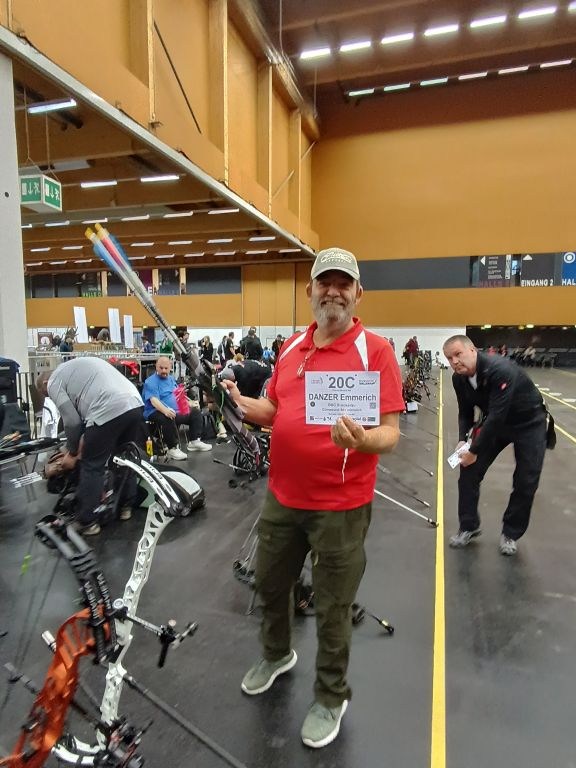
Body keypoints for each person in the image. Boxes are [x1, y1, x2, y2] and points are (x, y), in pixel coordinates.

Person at [223, 246, 404, 749]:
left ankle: (330, 695)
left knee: (332, 604)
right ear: (310, 291)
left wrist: (362, 440)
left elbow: (390, 432)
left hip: (341, 505)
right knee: (270, 583)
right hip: (283, 496)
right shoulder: (291, 348)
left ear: (358, 293)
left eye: (344, 284)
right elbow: (276, 409)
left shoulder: (375, 351)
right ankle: (277, 654)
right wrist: (240, 404)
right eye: (325, 282)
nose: (333, 292)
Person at [443, 335, 552, 556]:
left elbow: (497, 416)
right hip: (496, 423)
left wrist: (475, 450)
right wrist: (463, 440)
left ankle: (511, 532)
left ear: (472, 350)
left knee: (526, 480)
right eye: (449, 358)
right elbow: (465, 412)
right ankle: (469, 526)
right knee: (468, 469)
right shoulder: (459, 379)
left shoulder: (500, 370)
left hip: (529, 423)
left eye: (458, 354)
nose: (454, 361)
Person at [37, 357, 147, 536]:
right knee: (122, 458)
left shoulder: (54, 381)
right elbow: (82, 422)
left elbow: (72, 422)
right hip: (134, 403)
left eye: (47, 395)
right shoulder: (75, 370)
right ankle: (125, 507)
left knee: (91, 464)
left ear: (45, 383)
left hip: (108, 406)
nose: (50, 397)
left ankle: (88, 522)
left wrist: (72, 452)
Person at [142, 356, 212, 460]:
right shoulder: (150, 382)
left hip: (174, 411)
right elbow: (154, 401)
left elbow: (178, 394)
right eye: (161, 368)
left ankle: (194, 441)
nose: (163, 371)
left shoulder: (171, 379)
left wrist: (189, 403)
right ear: (156, 367)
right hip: (154, 411)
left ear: (170, 367)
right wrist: (165, 411)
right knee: (167, 417)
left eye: (166, 368)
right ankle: (172, 449)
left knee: (195, 412)